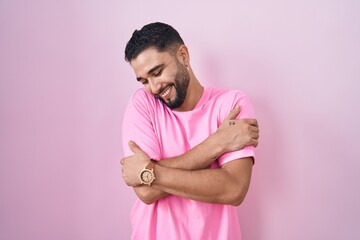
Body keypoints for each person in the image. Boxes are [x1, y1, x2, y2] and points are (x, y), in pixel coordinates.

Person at [120, 22, 259, 240]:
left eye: (157, 72)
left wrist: (149, 172)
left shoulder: (232, 104)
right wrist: (216, 144)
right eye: (144, 81)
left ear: (183, 55)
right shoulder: (143, 104)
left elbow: (233, 189)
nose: (154, 87)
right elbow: (146, 192)